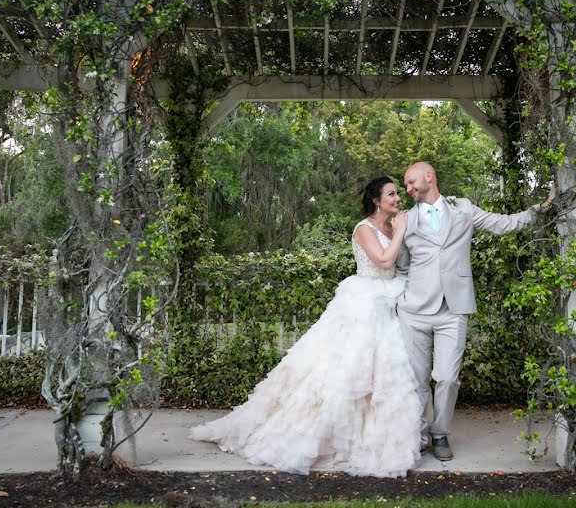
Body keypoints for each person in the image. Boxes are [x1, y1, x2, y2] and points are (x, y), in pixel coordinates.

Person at [190, 176, 422, 477]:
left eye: (397, 193)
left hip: (390, 301)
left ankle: (374, 435)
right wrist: (402, 231)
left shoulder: (393, 226)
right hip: (363, 303)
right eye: (391, 194)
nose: (397, 198)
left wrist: (401, 232)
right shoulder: (364, 228)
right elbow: (383, 262)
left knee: (386, 373)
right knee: (348, 370)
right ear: (377, 200)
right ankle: (319, 436)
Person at [396, 162, 556, 461]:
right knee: (416, 379)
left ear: (429, 176)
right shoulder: (405, 220)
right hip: (414, 311)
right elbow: (402, 264)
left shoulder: (463, 208)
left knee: (446, 376)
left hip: (453, 309)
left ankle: (440, 433)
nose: (408, 189)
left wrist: (543, 207)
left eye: (410, 182)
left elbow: (503, 224)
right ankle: (417, 436)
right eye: (405, 186)